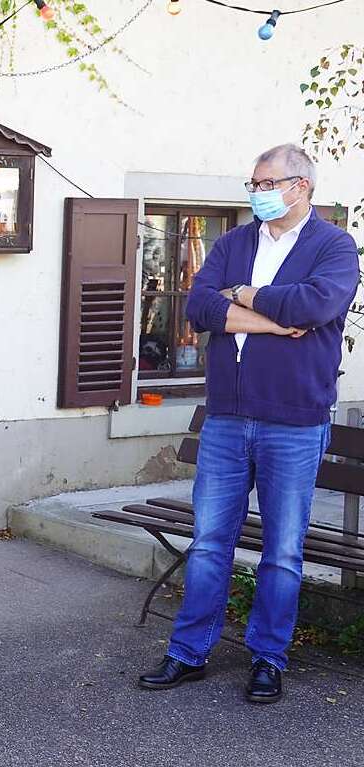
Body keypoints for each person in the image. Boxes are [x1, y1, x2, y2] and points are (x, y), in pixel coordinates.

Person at [138, 144, 359, 703]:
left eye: (265, 181)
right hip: (229, 418)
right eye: (253, 181)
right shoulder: (234, 241)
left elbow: (314, 306)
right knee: (211, 542)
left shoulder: (334, 246)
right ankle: (188, 653)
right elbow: (198, 308)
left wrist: (245, 297)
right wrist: (268, 320)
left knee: (283, 549)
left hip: (294, 421)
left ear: (300, 186)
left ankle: (267, 658)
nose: (255, 190)